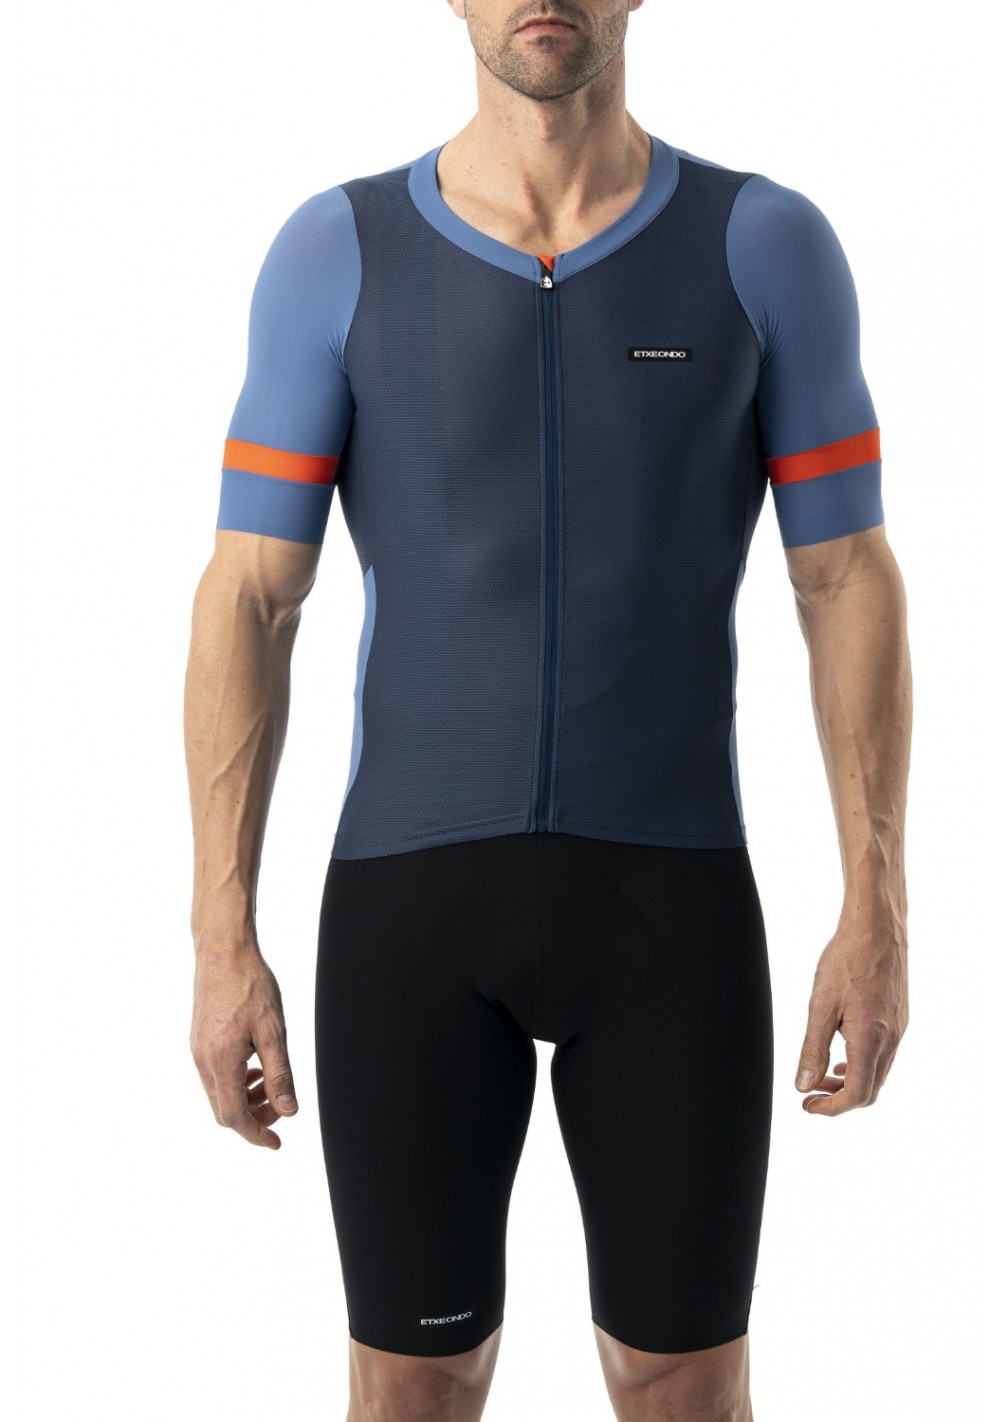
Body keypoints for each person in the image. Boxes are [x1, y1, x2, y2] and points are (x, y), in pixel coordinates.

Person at [184, 2, 912, 1418]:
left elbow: (844, 577)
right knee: (415, 1384)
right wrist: (222, 939)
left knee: (682, 1382)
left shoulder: (763, 246)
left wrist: (874, 902)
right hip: (409, 913)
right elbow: (250, 597)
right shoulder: (336, 252)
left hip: (670, 908)